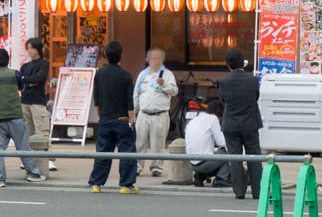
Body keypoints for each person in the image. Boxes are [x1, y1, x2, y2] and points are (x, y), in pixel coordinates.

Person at [0, 48, 46, 187]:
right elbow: (21, 88)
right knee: (23, 147)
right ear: (8, 60)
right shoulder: (15, 74)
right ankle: (33, 173)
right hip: (15, 116)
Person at [88, 41, 138, 194]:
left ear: (106, 56)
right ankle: (126, 185)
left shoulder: (100, 74)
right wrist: (132, 119)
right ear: (121, 56)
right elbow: (129, 101)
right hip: (122, 119)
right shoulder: (126, 76)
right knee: (127, 152)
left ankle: (96, 184)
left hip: (105, 118)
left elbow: (97, 97)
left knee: (103, 151)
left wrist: (99, 114)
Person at [219, 48, 263, 199]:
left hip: (231, 124)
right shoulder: (253, 80)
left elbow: (223, 100)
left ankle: (239, 191)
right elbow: (255, 97)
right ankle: (258, 192)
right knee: (255, 157)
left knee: (235, 158)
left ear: (228, 65)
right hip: (250, 123)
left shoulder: (223, 82)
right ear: (242, 63)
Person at [133, 47, 178, 177]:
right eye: (154, 58)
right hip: (143, 113)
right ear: (148, 60)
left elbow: (174, 91)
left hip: (160, 114)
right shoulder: (143, 74)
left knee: (158, 143)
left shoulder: (167, 74)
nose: (156, 61)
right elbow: (136, 93)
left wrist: (163, 84)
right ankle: (137, 166)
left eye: (159, 58)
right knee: (139, 142)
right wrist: (133, 112)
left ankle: (156, 167)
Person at [20, 37, 57, 172]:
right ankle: (29, 160)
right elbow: (21, 81)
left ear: (38, 48)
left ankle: (48, 160)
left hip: (38, 102)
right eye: (28, 48)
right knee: (28, 132)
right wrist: (28, 81)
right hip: (24, 102)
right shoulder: (25, 66)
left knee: (42, 131)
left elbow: (38, 78)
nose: (29, 51)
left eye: (31, 48)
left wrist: (26, 81)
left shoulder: (44, 64)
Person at [185, 100, 232, 188]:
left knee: (218, 155)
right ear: (219, 115)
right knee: (225, 153)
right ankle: (221, 179)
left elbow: (200, 144)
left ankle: (200, 176)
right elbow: (222, 142)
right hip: (204, 163)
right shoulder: (213, 118)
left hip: (192, 164)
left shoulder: (194, 120)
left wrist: (214, 149)